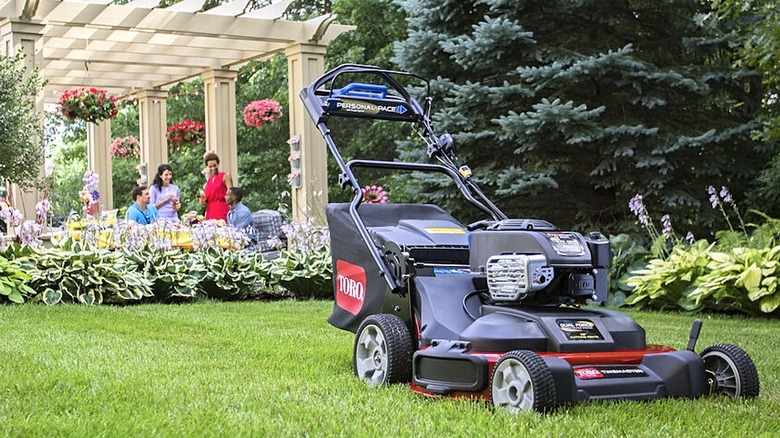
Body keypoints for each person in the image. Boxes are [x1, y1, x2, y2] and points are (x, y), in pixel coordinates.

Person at [200, 151, 233, 221]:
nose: (213, 168)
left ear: (218, 164)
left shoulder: (225, 176)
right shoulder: (208, 182)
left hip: (222, 210)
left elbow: (232, 194)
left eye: (215, 165)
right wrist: (203, 200)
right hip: (210, 212)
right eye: (210, 166)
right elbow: (207, 200)